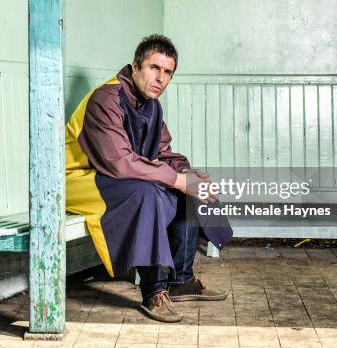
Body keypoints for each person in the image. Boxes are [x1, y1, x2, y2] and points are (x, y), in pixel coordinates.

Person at [65, 34, 233, 322]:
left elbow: (161, 151)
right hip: (78, 180)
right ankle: (154, 291)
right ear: (135, 66)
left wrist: (188, 175)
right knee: (147, 194)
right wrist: (176, 179)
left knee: (185, 188)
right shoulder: (106, 99)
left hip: (116, 177)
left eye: (168, 72)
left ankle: (180, 280)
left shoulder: (151, 105)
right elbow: (118, 162)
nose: (161, 78)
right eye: (154, 68)